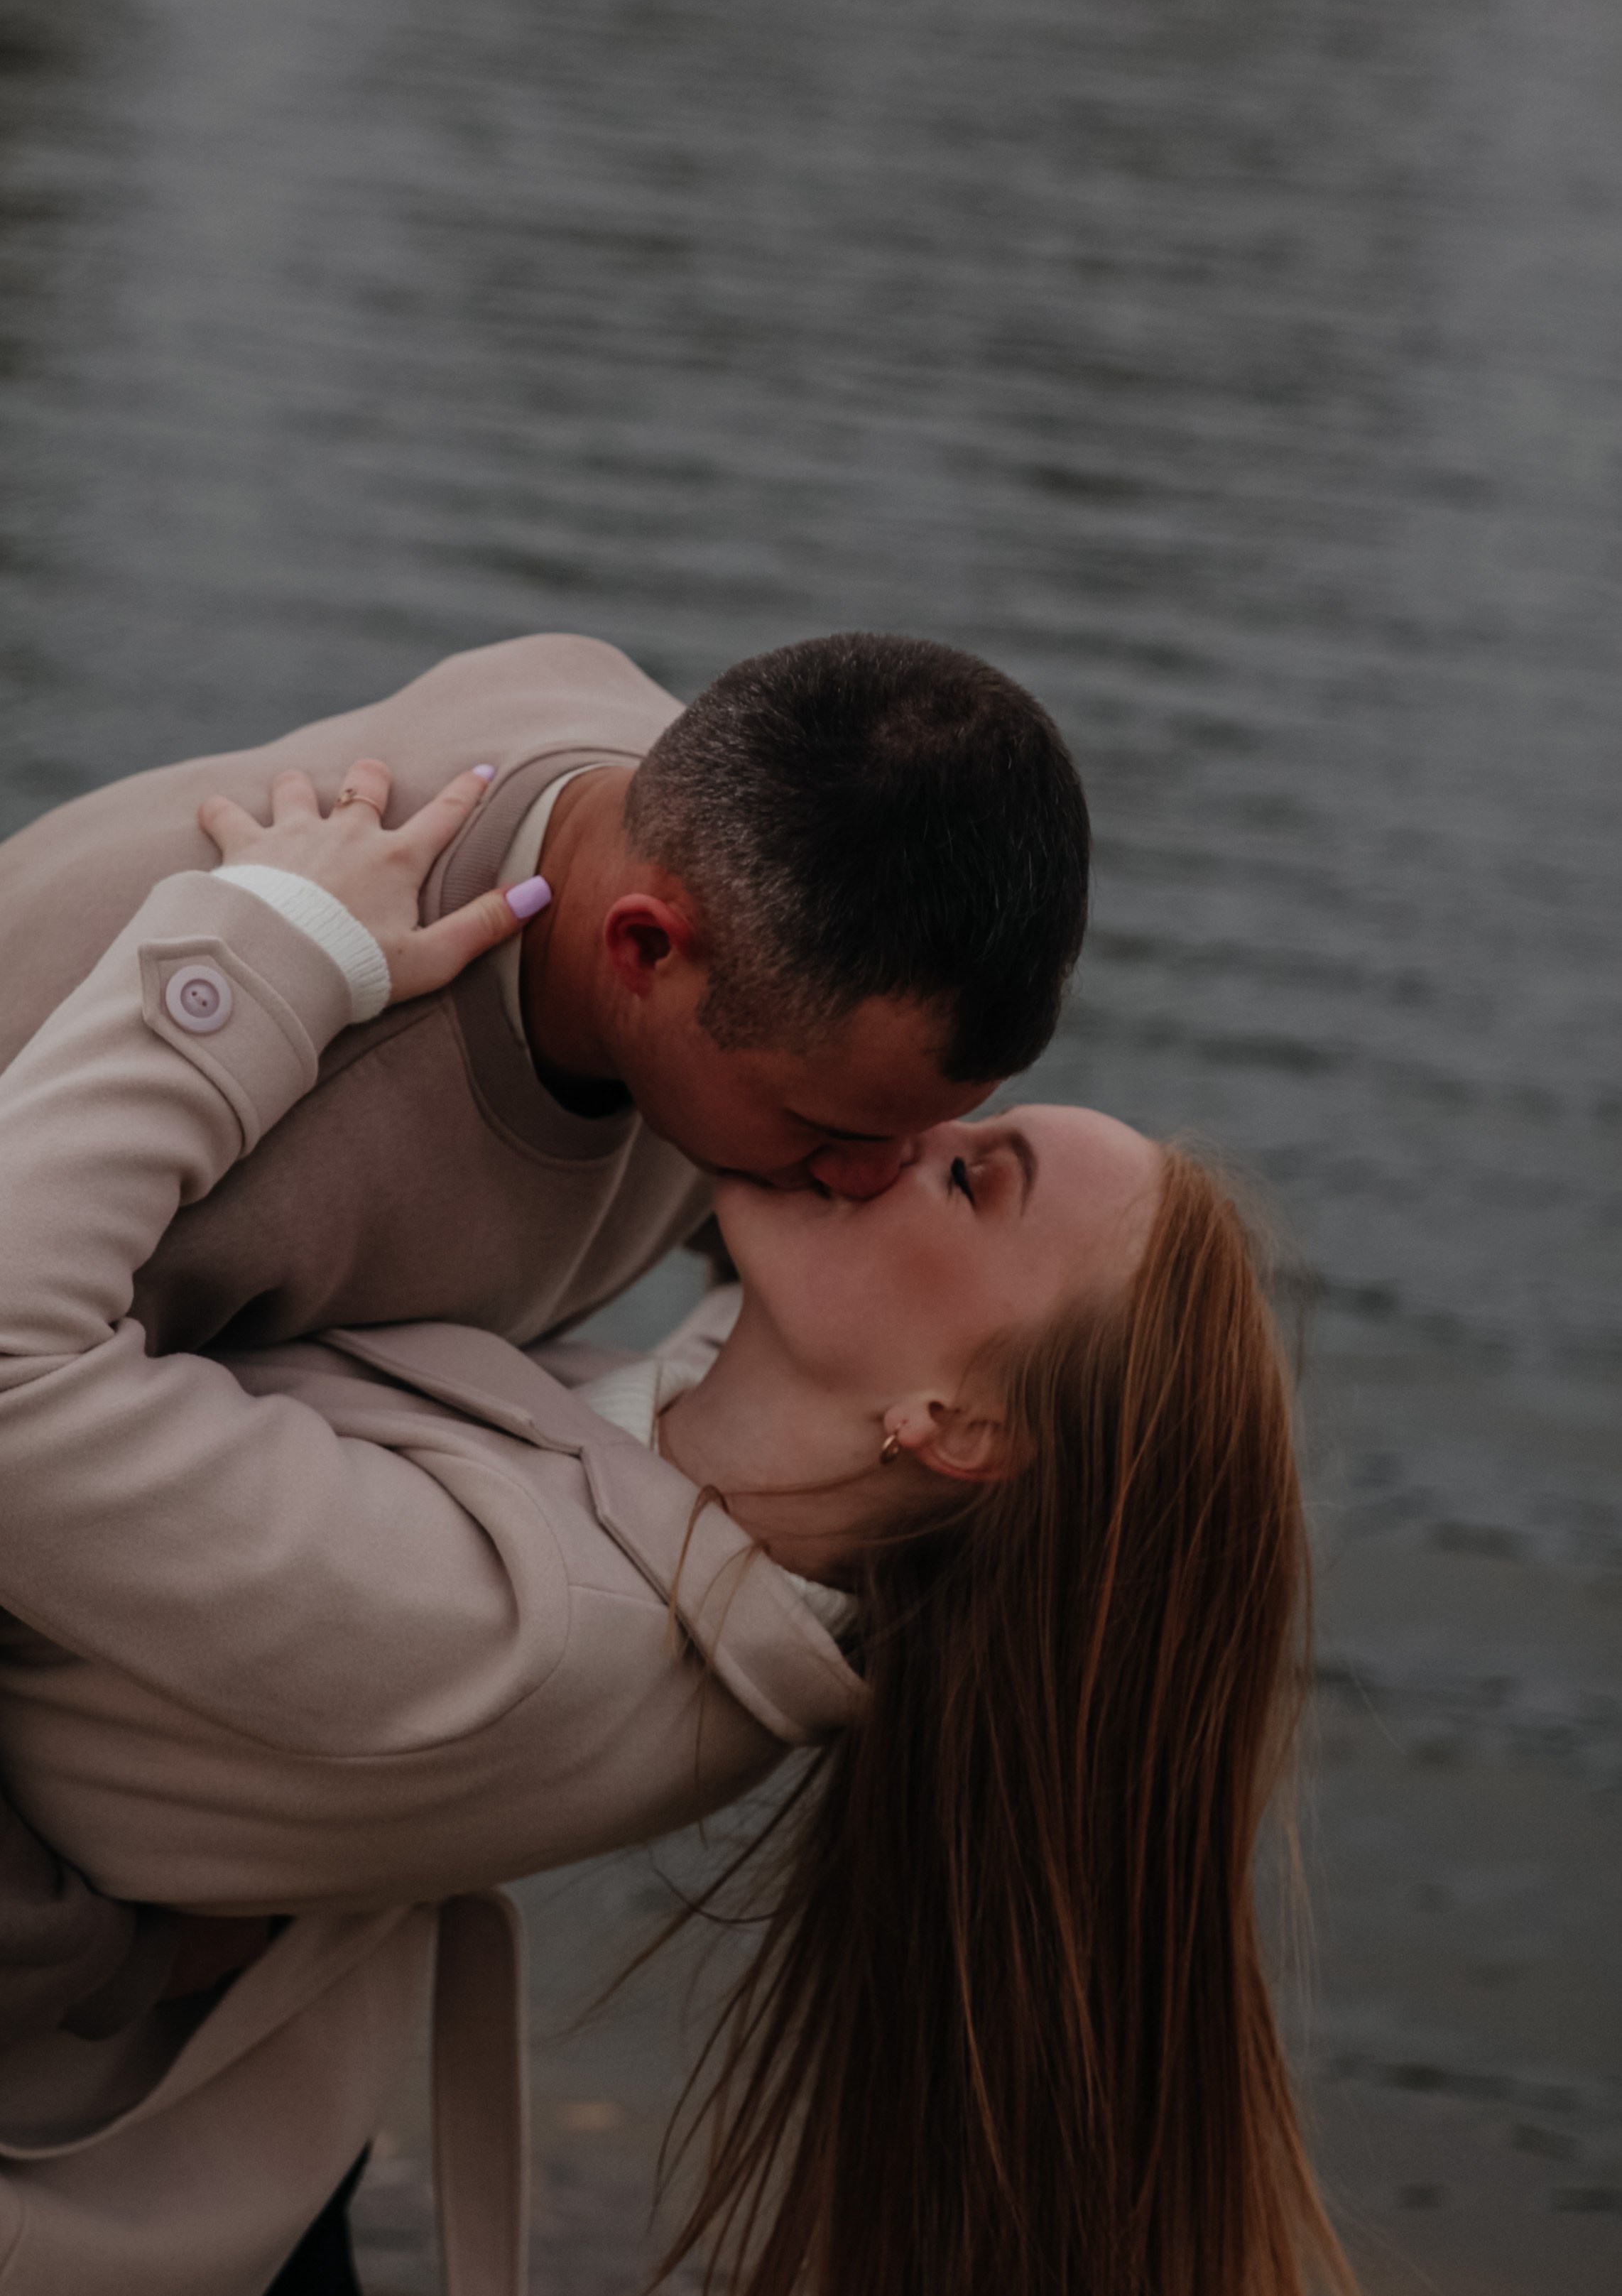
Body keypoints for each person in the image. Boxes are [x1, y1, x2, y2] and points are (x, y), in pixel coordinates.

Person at [0, 768, 1350, 2296]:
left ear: (957, 1427)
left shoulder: (524, 1629)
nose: (897, 1134)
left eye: (973, 1175)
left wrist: (263, 953)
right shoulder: (741, 1480)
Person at [0, 626, 1091, 2048]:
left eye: (930, 1132)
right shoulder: (295, 1081)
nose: (870, 1179)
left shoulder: (669, 814)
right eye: (829, 1129)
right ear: (644, 949)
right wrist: (78, 1950)